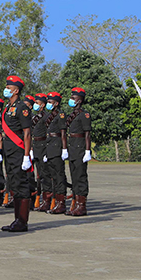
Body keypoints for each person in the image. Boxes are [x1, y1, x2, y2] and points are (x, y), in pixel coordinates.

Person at [0, 76, 34, 232]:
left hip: (19, 152)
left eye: (9, 87)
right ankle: (16, 220)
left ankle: (22, 221)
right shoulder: (8, 107)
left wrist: (27, 155)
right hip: (9, 151)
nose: (6, 89)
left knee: (21, 184)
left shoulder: (22, 108)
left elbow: (27, 133)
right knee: (13, 183)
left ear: (16, 90)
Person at [65, 87, 92, 216]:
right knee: (74, 176)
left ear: (79, 100)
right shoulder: (72, 115)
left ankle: (82, 206)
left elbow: (87, 134)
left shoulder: (84, 115)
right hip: (72, 148)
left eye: (73, 98)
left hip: (80, 148)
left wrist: (87, 150)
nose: (71, 100)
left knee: (80, 177)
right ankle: (75, 203)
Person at [43, 92, 68, 214]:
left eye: (50, 102)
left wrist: (64, 148)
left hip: (57, 146)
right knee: (52, 175)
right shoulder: (49, 115)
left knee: (59, 176)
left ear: (56, 103)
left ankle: (61, 203)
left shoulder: (61, 115)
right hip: (50, 147)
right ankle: (54, 202)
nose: (48, 104)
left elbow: (63, 132)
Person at [31, 94, 50, 211]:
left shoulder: (46, 117)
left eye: (37, 103)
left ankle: (47, 200)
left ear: (43, 105)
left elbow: (48, 134)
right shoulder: (35, 117)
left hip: (43, 146)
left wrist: (47, 150)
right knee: (39, 176)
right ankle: (42, 199)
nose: (35, 105)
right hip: (36, 146)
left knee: (45, 175)